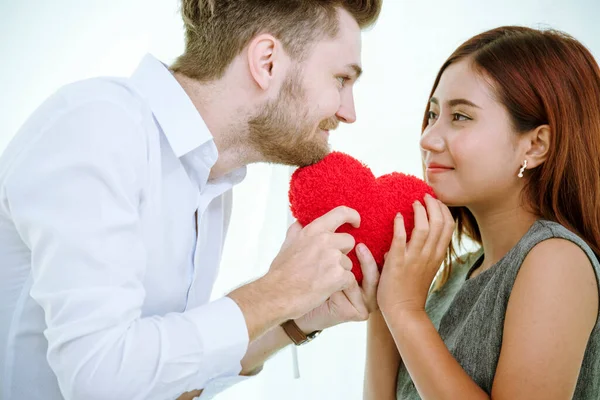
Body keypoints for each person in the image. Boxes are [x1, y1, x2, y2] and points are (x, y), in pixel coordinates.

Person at [0, 1, 383, 399]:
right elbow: (100, 380)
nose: (348, 112)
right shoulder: (99, 126)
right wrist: (274, 292)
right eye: (341, 79)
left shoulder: (212, 181)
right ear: (267, 62)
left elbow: (162, 384)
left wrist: (292, 320)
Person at [362, 26, 600, 399]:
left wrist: (405, 310)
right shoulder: (456, 272)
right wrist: (384, 306)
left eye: (460, 117)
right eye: (432, 114)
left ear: (536, 145)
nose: (427, 138)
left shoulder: (557, 260)